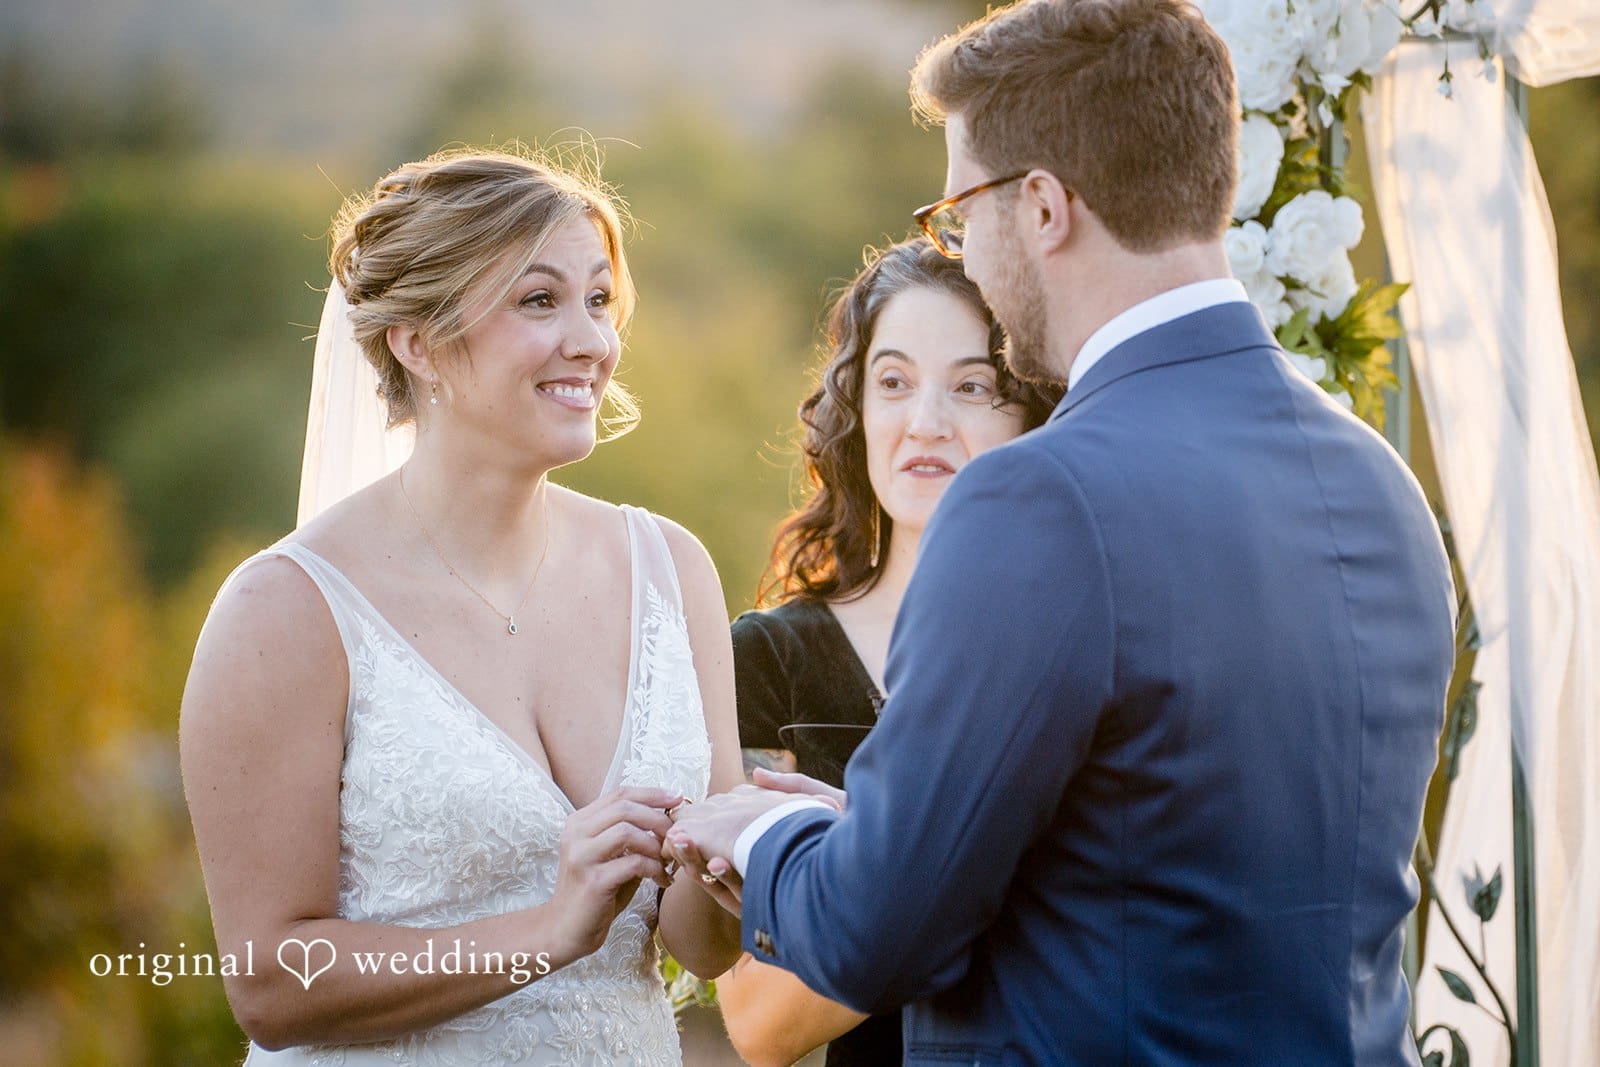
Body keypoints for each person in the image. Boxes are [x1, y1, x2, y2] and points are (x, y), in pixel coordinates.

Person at [666, 1, 1456, 1064]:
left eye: (959, 216)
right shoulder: (1379, 482)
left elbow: (869, 937)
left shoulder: (1038, 499)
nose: (964, 255)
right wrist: (872, 831)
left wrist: (764, 831)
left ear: (1040, 205)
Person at [179, 147, 744, 1066]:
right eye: (538, 300)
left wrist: (748, 858)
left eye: (600, 300)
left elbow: (693, 945)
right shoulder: (286, 610)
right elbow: (270, 982)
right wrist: (547, 929)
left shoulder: (671, 569)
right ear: (418, 340)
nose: (593, 341)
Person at [718, 236, 1062, 1067]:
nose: (925, 423)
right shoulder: (769, 658)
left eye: (974, 386)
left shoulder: (1083, 640)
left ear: (1035, 412)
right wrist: (950, 859)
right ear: (857, 410)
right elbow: (758, 1018)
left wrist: (864, 863)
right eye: (894, 382)